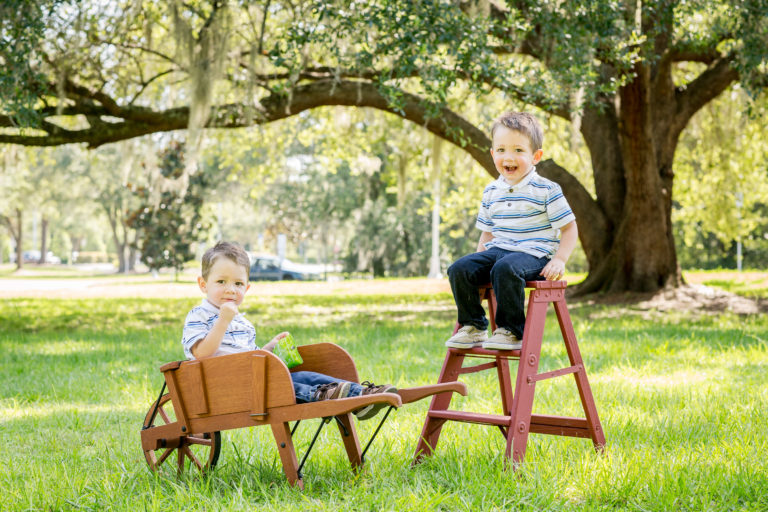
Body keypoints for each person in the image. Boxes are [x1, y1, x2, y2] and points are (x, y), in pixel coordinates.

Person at [182, 241, 395, 420]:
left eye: (238, 283)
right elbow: (201, 354)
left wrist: (270, 348)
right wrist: (222, 321)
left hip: (253, 382)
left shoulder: (242, 323)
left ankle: (362, 395)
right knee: (284, 385)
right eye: (221, 282)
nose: (230, 289)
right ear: (203, 284)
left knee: (305, 375)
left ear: (246, 288)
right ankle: (327, 396)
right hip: (224, 388)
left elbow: (252, 356)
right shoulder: (198, 315)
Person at [444, 111, 578, 351]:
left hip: (534, 255)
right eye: (502, 150)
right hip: (498, 250)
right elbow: (487, 233)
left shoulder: (546, 189)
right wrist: (477, 264)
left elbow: (569, 228)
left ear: (535, 156)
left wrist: (559, 259)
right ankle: (474, 326)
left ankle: (512, 331)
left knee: (505, 268)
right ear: (493, 153)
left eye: (518, 150)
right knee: (459, 268)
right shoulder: (491, 191)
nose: (509, 157)